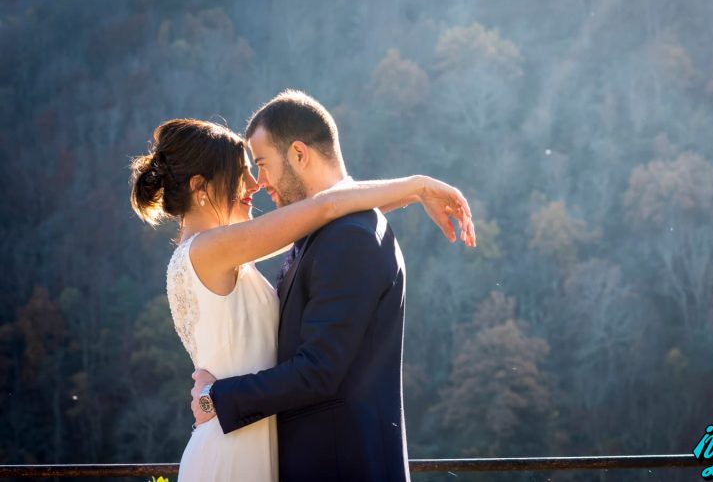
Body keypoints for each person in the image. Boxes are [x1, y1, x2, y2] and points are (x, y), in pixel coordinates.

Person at [129, 94, 475, 482]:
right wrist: (417, 187)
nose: (254, 184)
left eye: (257, 167)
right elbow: (325, 209)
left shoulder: (231, 251)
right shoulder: (213, 250)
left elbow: (326, 212)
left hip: (252, 435)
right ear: (201, 187)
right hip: (234, 445)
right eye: (243, 172)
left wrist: (413, 193)